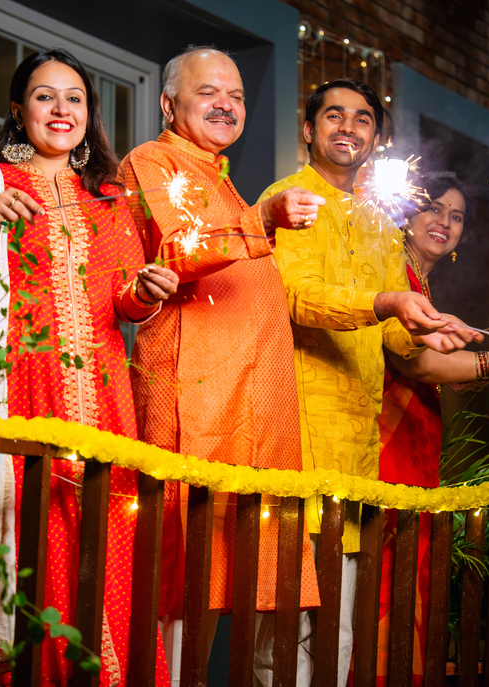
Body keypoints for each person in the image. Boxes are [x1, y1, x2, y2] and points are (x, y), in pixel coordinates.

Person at [0, 48, 178, 686]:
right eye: (45, 96)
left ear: (90, 114)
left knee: (104, 541)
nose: (61, 109)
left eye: (74, 98)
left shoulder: (109, 201)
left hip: (105, 399)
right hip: (16, 389)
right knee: (18, 536)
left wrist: (147, 290)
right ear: (18, 109)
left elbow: (121, 306)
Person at [259, 78, 477, 686]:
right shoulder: (287, 201)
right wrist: (386, 300)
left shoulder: (381, 227)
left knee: (339, 631)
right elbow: (297, 298)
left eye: (361, 119)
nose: (347, 128)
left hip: (356, 456)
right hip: (294, 442)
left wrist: (429, 334)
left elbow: (394, 338)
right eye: (333, 116)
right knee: (286, 633)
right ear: (308, 130)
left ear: (375, 138)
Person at [116, 46, 323, 680]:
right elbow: (177, 248)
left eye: (234, 96)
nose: (226, 105)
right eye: (208, 93)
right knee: (183, 575)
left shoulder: (220, 174)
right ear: (167, 103)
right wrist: (260, 218)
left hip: (256, 402)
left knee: (250, 574)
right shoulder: (151, 161)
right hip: (195, 391)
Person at [367, 174, 489, 686]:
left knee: (409, 576)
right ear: (406, 215)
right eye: (432, 209)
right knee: (384, 581)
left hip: (415, 449)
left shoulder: (423, 285)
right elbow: (418, 367)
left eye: (456, 217)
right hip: (382, 449)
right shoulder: (391, 274)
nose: (444, 222)